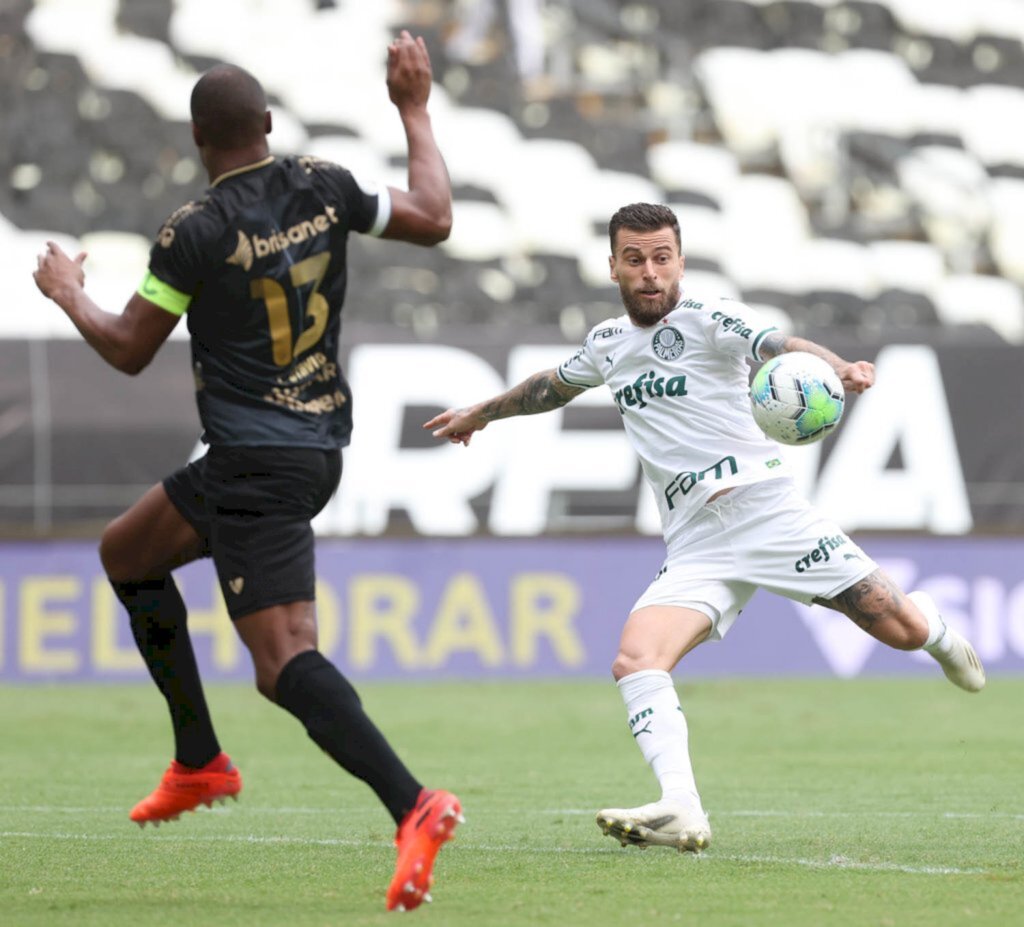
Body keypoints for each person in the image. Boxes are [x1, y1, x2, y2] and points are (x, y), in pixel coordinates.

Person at [33, 32, 461, 913]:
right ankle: (199, 760)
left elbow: (125, 349)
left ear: (199, 142)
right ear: (267, 123)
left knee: (282, 663)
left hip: (256, 463)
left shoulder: (193, 233)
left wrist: (69, 290)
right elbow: (434, 214)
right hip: (306, 446)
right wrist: (414, 108)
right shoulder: (327, 184)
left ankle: (413, 803)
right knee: (128, 554)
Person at [424, 201, 985, 854]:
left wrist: (836, 365)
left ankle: (940, 633)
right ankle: (681, 806)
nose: (650, 272)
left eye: (662, 257)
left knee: (902, 629)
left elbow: (781, 346)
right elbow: (551, 386)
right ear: (612, 267)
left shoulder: (711, 317)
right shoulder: (609, 344)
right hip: (696, 542)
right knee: (636, 658)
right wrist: (482, 413)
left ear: (681, 262)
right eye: (635, 259)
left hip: (767, 513)